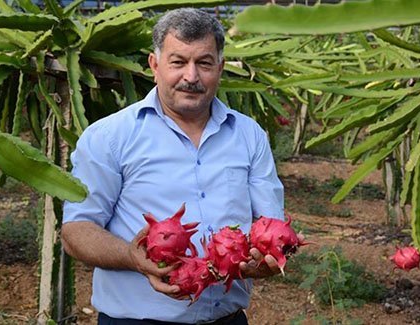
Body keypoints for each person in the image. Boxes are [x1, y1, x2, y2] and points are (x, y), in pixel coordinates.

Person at [62, 8, 285, 325]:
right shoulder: (110, 137)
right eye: (178, 62)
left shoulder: (250, 136)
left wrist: (268, 259)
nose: (191, 77)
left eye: (204, 63)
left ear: (220, 68)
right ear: (155, 66)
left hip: (228, 319)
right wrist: (132, 257)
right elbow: (75, 231)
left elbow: (270, 226)